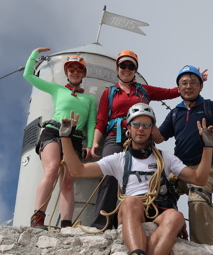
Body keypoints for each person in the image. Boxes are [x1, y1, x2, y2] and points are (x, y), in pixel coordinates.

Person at [59, 103, 213, 255]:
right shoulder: (119, 159)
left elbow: (199, 178)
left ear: (152, 130)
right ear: (129, 129)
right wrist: (66, 139)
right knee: (131, 201)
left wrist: (207, 147)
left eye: (146, 125)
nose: (141, 128)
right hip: (133, 209)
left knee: (176, 217)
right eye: (136, 124)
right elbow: (77, 170)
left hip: (159, 208)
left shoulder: (165, 158)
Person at [89, 50, 207, 230]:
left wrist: (193, 83)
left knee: (151, 176)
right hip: (116, 137)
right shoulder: (110, 92)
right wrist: (96, 142)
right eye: (123, 65)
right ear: (117, 68)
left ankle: (150, 215)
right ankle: (102, 223)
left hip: (142, 139)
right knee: (109, 176)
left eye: (131, 66)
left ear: (135, 69)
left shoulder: (144, 90)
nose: (127, 69)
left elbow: (170, 92)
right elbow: (101, 120)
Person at [152, 65, 213, 245]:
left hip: (202, 167)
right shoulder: (175, 113)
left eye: (193, 83)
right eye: (184, 83)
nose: (188, 86)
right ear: (179, 88)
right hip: (178, 168)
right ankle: (160, 237)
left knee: (199, 201)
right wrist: (146, 120)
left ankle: (202, 249)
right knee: (156, 195)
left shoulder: (211, 107)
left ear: (201, 86)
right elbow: (159, 137)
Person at [22, 47, 96, 229]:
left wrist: (90, 144)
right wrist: (34, 54)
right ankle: (38, 218)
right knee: (52, 168)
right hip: (54, 130)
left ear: (84, 73)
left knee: (68, 181)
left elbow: (91, 123)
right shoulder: (57, 89)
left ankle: (66, 225)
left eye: (79, 69)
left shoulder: (89, 99)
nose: (76, 72)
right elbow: (28, 76)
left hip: (75, 138)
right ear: (66, 72)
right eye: (72, 69)